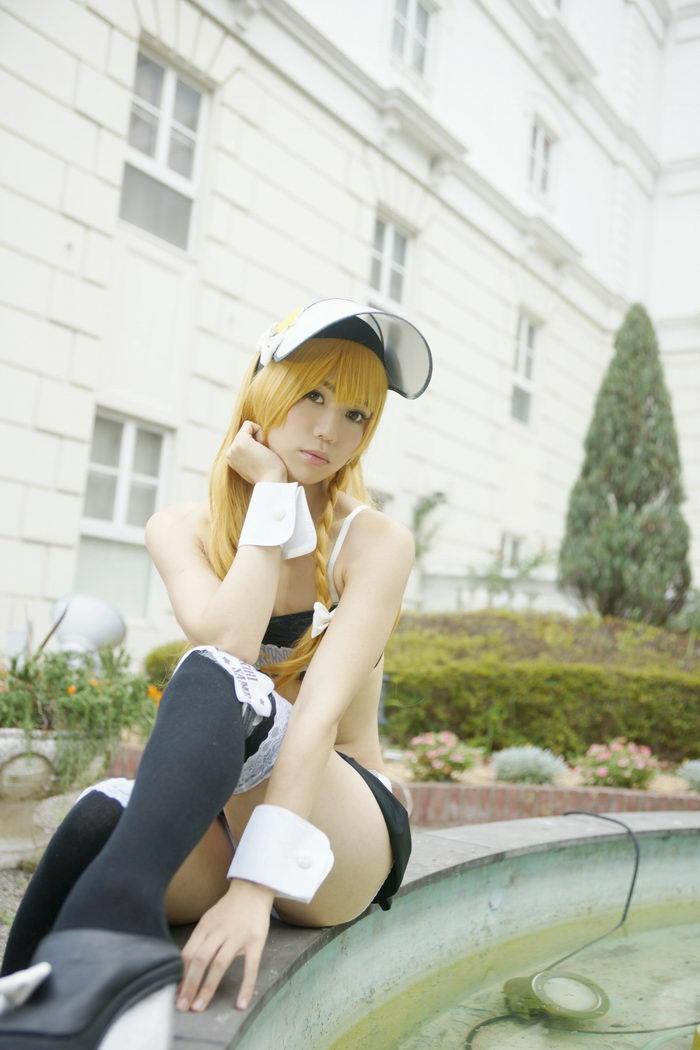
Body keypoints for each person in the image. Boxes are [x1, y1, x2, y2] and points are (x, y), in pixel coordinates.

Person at [0, 297, 434, 1049]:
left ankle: (119, 950)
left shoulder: (374, 543)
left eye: (356, 414)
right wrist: (272, 500)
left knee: (221, 681)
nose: (329, 430)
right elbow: (232, 638)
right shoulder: (180, 528)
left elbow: (312, 714)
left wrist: (255, 887)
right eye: (313, 395)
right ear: (265, 387)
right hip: (230, 822)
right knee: (101, 814)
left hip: (340, 832)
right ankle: (31, 1011)